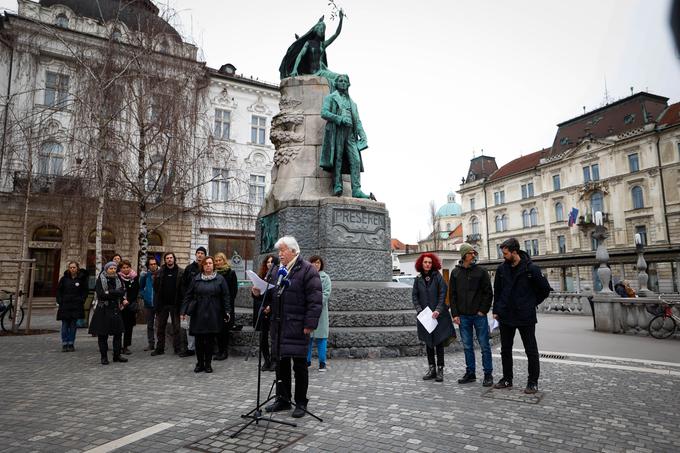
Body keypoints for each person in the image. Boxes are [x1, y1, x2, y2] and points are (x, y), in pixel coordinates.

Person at [258, 236, 322, 418]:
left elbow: (315, 300)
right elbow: (269, 294)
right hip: (279, 325)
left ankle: (301, 402)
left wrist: (310, 324)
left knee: (299, 366)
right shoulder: (277, 269)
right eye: (279, 251)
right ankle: (283, 399)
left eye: (283, 251)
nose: (280, 254)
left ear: (294, 251)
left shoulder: (308, 270)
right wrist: (257, 292)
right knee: (281, 364)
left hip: (298, 326)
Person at [492, 238, 552, 394]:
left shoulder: (531, 268)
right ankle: (507, 379)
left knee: (530, 350)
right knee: (505, 349)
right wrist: (496, 310)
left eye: (505, 253)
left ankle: (532, 382)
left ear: (514, 252)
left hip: (525, 315)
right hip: (506, 315)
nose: (503, 256)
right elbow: (497, 291)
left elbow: (545, 289)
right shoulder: (501, 269)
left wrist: (531, 303)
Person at [449, 244, 494, 387]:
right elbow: (452, 295)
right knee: (467, 346)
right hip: (463, 316)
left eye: (474, 252)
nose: (473, 255)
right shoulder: (455, 272)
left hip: (479, 315)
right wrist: (455, 314)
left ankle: (488, 374)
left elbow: (488, 293)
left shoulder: (481, 271)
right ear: (464, 255)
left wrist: (483, 310)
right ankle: (470, 373)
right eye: (470, 253)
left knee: (484, 346)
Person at [319, 74, 371, 199]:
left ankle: (356, 190)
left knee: (356, 160)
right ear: (336, 84)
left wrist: (363, 136)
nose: (342, 83)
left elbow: (358, 122)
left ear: (348, 84)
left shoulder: (353, 104)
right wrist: (340, 119)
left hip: (350, 134)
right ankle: (337, 185)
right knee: (338, 157)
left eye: (345, 81)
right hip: (337, 130)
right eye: (340, 81)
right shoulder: (331, 98)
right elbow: (324, 113)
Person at [181, 256, 231, 373]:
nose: (208, 265)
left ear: (213, 265)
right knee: (198, 340)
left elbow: (226, 296)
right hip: (198, 312)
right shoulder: (196, 279)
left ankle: (208, 364)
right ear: (202, 266)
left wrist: (227, 311)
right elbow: (188, 295)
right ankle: (199, 363)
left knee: (209, 340)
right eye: (206, 263)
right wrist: (183, 311)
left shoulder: (220, 279)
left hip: (214, 312)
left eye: (210, 263)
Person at [412, 252, 454, 383]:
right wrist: (419, 310)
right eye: (425, 262)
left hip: (438, 316)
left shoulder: (438, 277)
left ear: (433, 263)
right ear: (421, 263)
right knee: (428, 343)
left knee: (438, 342)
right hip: (425, 317)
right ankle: (432, 369)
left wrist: (438, 310)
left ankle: (440, 369)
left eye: (430, 262)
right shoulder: (418, 279)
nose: (428, 264)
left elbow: (443, 293)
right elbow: (415, 296)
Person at [278, 10, 343, 80]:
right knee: (337, 79)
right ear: (316, 30)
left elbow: (336, 34)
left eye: (323, 30)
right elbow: (300, 55)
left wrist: (341, 20)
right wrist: (294, 69)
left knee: (340, 78)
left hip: (321, 71)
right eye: (320, 28)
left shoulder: (323, 44)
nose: (322, 31)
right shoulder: (308, 43)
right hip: (311, 72)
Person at [89, 261, 128, 365]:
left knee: (118, 334)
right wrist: (115, 293)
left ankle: (117, 355)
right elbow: (101, 295)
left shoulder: (118, 279)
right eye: (111, 268)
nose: (113, 270)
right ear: (106, 269)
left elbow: (122, 292)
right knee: (103, 335)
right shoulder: (100, 279)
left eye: (115, 268)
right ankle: (104, 357)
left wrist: (110, 292)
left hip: (115, 309)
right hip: (103, 310)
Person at [151, 252, 183, 356]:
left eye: (171, 258)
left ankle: (177, 348)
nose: (169, 259)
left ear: (174, 259)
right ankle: (160, 348)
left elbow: (183, 289)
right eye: (167, 258)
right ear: (165, 260)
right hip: (163, 304)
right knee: (160, 327)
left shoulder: (181, 272)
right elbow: (156, 288)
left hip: (175, 304)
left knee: (177, 328)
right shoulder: (159, 272)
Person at [252, 255, 278, 371]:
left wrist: (271, 306)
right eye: (268, 262)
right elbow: (258, 296)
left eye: (272, 262)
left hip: (273, 309)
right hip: (262, 309)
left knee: (273, 337)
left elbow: (278, 296)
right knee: (263, 337)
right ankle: (266, 360)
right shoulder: (263, 276)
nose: (269, 264)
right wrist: (255, 293)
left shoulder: (278, 277)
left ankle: (274, 360)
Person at [180, 247, 207, 357]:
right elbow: (183, 285)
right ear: (195, 255)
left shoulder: (207, 268)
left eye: (202, 253)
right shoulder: (189, 268)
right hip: (191, 302)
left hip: (204, 302)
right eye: (198, 253)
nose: (200, 255)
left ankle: (204, 347)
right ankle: (191, 348)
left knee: (204, 326)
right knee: (189, 326)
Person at [56, 261, 88, 352]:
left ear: (77, 268)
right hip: (65, 305)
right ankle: (64, 343)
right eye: (71, 267)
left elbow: (85, 291)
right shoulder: (64, 279)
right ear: (68, 268)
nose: (72, 269)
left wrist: (81, 300)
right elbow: (59, 291)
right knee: (65, 324)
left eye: (74, 267)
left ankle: (71, 343)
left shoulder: (81, 279)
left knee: (73, 325)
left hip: (76, 305)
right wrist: (60, 301)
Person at [307, 255, 331, 372]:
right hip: (308, 311)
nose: (316, 265)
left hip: (320, 312)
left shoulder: (325, 277)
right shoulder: (306, 276)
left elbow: (326, 293)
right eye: (313, 262)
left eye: (318, 263)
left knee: (321, 339)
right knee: (308, 338)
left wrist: (316, 302)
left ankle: (322, 363)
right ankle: (306, 361)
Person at [214, 252, 238, 361]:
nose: (218, 262)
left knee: (224, 330)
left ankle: (224, 352)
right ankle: (219, 350)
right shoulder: (214, 273)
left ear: (224, 261)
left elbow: (233, 291)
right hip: (215, 306)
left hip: (226, 306)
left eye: (220, 260)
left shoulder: (231, 273)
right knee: (217, 330)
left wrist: (227, 306)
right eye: (216, 261)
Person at [118, 260, 139, 355]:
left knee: (128, 327)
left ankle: (126, 346)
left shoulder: (134, 277)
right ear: (120, 269)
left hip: (130, 306)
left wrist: (128, 301)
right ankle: (117, 346)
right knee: (118, 327)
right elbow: (117, 290)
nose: (126, 269)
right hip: (119, 305)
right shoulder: (117, 277)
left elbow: (135, 291)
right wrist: (122, 300)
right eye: (123, 267)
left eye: (127, 267)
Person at [139, 257, 158, 351]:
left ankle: (160, 344)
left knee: (159, 325)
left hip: (159, 304)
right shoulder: (145, 276)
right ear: (148, 266)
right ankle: (151, 344)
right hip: (148, 304)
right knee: (150, 325)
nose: (153, 265)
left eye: (154, 264)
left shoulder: (160, 274)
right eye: (151, 264)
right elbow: (141, 288)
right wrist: (144, 295)